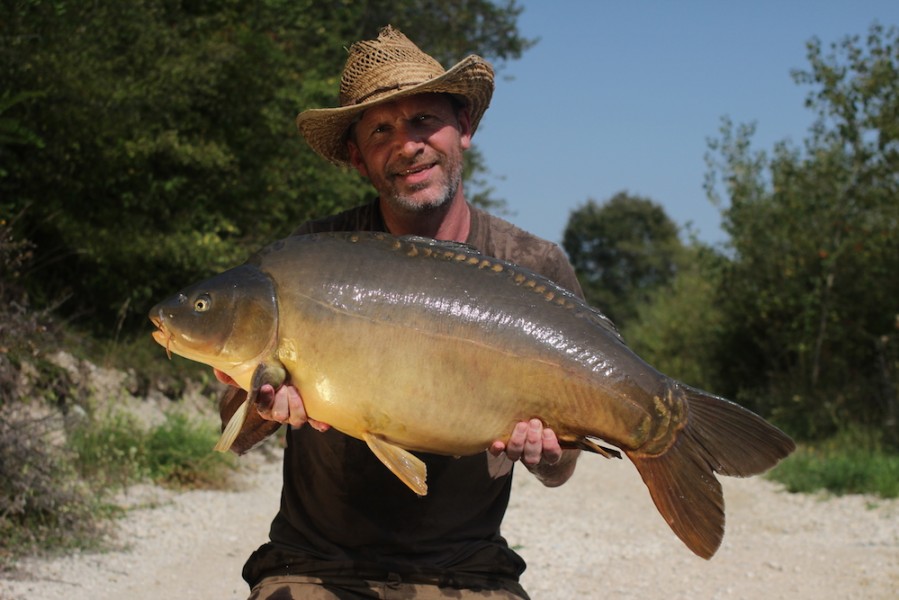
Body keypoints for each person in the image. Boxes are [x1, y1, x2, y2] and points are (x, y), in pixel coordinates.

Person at [217, 25, 585, 600]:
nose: (407, 144)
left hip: (467, 569)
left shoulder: (532, 265)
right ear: (359, 159)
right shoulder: (311, 258)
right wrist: (263, 405)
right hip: (315, 565)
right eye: (381, 130)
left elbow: (562, 471)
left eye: (422, 121)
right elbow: (234, 432)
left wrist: (547, 453)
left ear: (463, 127)